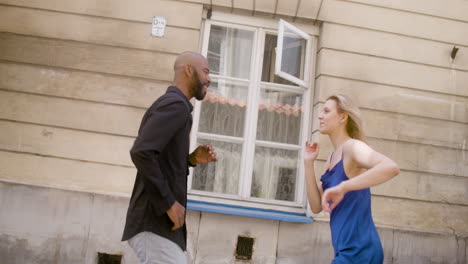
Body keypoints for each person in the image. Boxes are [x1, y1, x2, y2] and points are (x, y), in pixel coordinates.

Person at [122, 51, 217, 264]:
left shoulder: (175, 106)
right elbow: (141, 152)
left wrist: (190, 160)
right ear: (188, 70)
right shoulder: (175, 105)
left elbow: (159, 159)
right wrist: (168, 203)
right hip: (154, 222)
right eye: (205, 71)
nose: (209, 79)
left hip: (158, 225)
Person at [304, 94, 399, 263]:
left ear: (343, 117)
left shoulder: (353, 147)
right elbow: (316, 206)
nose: (320, 115)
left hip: (360, 251)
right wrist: (308, 163)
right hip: (346, 251)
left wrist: (343, 187)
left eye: (326, 111)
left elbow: (390, 167)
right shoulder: (332, 158)